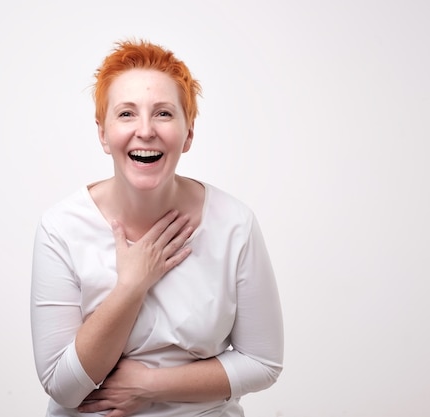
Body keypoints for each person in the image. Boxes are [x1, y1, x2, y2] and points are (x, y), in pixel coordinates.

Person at [30, 39, 284, 417]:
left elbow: (263, 362)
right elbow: (63, 386)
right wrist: (132, 285)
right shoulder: (60, 229)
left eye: (163, 113)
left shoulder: (234, 224)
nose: (145, 130)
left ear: (189, 133)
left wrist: (149, 386)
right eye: (127, 114)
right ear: (103, 133)